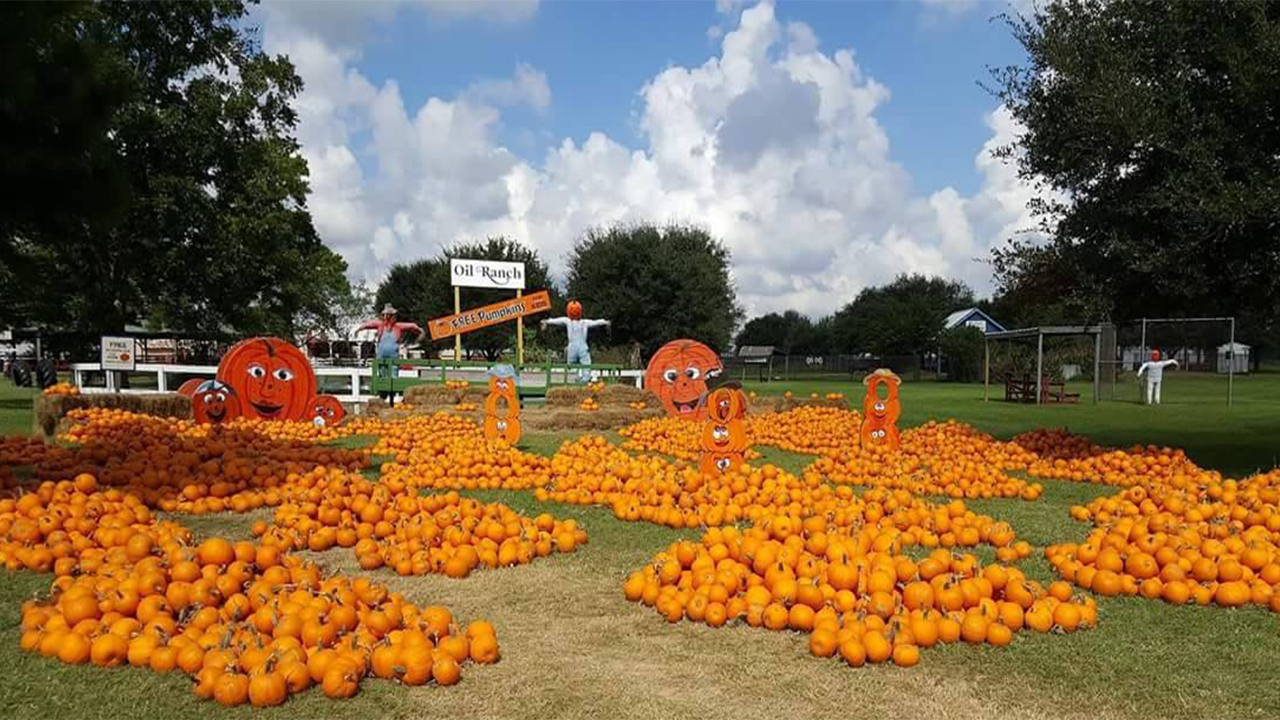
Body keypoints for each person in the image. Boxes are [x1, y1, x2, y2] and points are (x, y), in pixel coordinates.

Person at [540, 301, 609, 382]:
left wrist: (547, 321)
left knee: (572, 366)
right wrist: (605, 321)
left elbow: (557, 320)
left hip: (572, 347)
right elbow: (596, 322)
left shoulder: (567, 321)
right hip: (583, 347)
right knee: (586, 364)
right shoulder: (584, 322)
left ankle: (576, 379)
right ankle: (585, 380)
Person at [357, 304, 423, 379]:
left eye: (390, 315)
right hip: (382, 355)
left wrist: (419, 330)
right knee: (382, 374)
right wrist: (359, 329)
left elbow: (412, 325)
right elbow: (368, 324)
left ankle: (393, 389)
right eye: (387, 315)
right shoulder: (380, 325)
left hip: (393, 355)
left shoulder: (398, 326)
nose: (388, 317)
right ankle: (383, 389)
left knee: (394, 373)